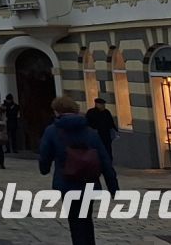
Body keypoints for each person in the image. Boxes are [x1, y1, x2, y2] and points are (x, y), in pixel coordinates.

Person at [38, 95, 118, 245]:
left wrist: (44, 168)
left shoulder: (52, 131)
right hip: (89, 182)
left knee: (75, 220)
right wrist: (113, 186)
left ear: (57, 111)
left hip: (67, 182)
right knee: (86, 218)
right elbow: (105, 160)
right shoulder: (90, 132)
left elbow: (44, 154)